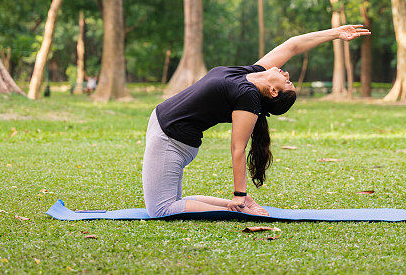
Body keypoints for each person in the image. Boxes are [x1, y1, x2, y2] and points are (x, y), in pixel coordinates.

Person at [141, 24, 371, 217]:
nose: (287, 75)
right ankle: (240, 205)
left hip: (171, 139)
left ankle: (239, 205)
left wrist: (239, 193)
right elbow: (293, 45)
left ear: (272, 91)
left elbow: (238, 148)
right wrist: (336, 33)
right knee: (172, 201)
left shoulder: (248, 96)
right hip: (165, 127)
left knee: (161, 209)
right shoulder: (249, 74)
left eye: (287, 83)